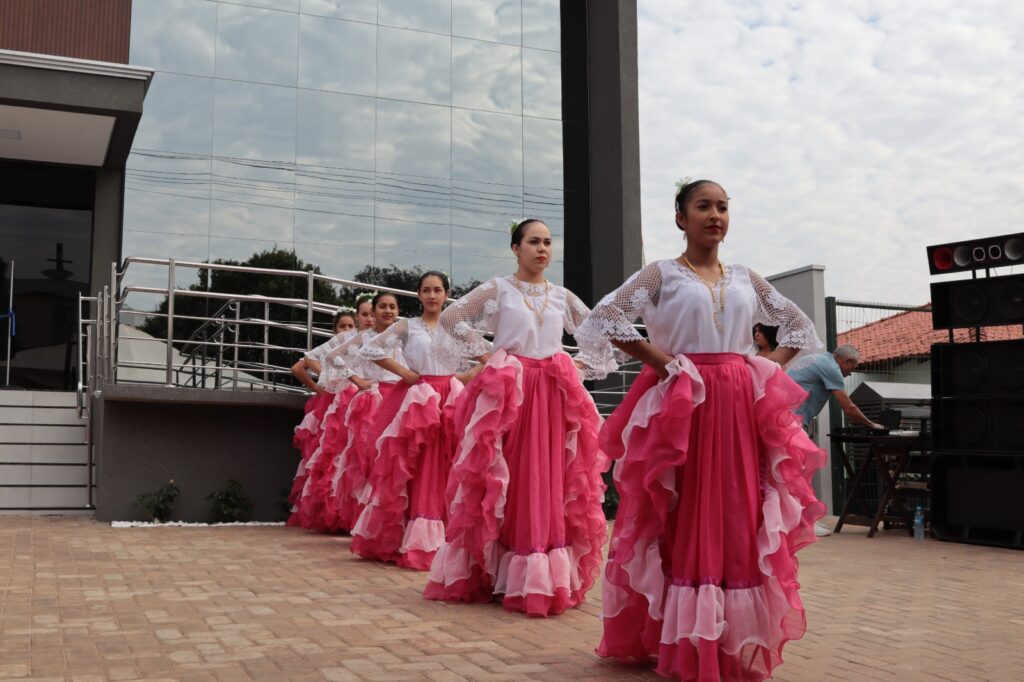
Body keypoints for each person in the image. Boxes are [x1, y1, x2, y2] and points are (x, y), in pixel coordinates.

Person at [578, 180, 826, 681]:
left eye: (723, 207)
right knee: (679, 508)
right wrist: (664, 362)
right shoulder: (661, 275)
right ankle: (679, 639)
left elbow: (799, 327)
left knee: (738, 509)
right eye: (703, 206)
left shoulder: (745, 278)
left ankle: (727, 640)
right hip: (682, 403)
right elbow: (605, 316)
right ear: (680, 217)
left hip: (737, 403)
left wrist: (766, 366)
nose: (715, 215)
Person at [423, 218, 616, 617]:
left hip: (551, 393)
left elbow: (598, 334)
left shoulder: (561, 296)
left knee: (546, 476)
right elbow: (452, 319)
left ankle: (537, 572)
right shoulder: (499, 289)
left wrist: (574, 366)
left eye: (547, 242)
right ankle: (494, 569)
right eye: (533, 242)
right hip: (510, 394)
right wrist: (490, 356)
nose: (542, 249)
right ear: (515, 248)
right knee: (502, 475)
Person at [350, 271, 478, 569]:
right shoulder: (407, 326)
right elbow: (370, 349)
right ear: (419, 295)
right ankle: (409, 535)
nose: (432, 296)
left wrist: (459, 379)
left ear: (447, 294)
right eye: (426, 290)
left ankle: (448, 535)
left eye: (437, 290)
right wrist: (405, 373)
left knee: (449, 462)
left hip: (450, 398)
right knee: (415, 464)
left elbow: (488, 358)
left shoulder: (457, 327)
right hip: (418, 399)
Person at [320, 291, 404, 532]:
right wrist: (357, 380)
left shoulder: (402, 336)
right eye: (382, 307)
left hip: (398, 397)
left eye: (392, 307)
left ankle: (387, 517)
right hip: (372, 400)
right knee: (367, 458)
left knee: (393, 458)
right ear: (374, 311)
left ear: (398, 311)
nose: (388, 311)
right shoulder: (363, 338)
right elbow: (333, 356)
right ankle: (364, 519)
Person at [288, 296, 375, 530]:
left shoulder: (380, 339)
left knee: (361, 458)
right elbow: (307, 361)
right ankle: (334, 512)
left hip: (367, 399)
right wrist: (324, 382)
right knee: (338, 457)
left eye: (371, 314)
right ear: (358, 316)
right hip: (345, 399)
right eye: (364, 314)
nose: (369, 318)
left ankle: (356, 514)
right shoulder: (347, 339)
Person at [788, 344, 884, 432]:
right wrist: (871, 424)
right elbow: (849, 409)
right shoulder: (832, 368)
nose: (850, 373)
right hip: (791, 420)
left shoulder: (818, 358)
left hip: (781, 414)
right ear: (847, 361)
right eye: (852, 368)